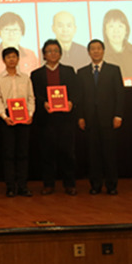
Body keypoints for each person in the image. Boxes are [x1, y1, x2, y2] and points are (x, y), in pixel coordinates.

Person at [31, 39, 81, 196]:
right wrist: (43, 103)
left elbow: (76, 91)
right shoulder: (36, 74)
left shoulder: (69, 71)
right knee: (47, 153)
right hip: (46, 120)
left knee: (68, 153)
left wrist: (71, 102)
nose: (53, 54)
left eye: (56, 51)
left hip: (66, 119)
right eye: (49, 51)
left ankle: (69, 184)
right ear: (44, 55)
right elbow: (34, 94)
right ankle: (48, 184)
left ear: (60, 54)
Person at [77, 40, 124, 195]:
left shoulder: (113, 70)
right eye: (92, 49)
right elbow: (80, 97)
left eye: (98, 48)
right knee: (93, 155)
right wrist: (80, 117)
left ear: (103, 51)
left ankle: (112, 185)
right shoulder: (82, 72)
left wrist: (118, 115)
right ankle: (95, 185)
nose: (96, 51)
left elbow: (119, 94)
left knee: (109, 153)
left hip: (109, 119)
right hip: (90, 119)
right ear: (88, 52)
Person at [0, 47, 36, 197]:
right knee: (8, 154)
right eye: (8, 57)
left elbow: (31, 98)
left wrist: (30, 114)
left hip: (24, 117)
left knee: (23, 153)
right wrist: (4, 116)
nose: (11, 59)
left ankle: (23, 186)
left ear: (18, 59)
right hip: (7, 117)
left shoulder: (25, 77)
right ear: (3, 60)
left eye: (14, 57)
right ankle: (10, 186)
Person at [0, 12, 39, 81]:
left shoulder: (30, 55)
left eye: (15, 30)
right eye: (7, 30)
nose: (11, 34)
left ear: (21, 32)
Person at [102, 9, 132, 79]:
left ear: (126, 30)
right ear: (105, 30)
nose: (116, 31)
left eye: (120, 26)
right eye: (111, 26)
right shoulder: (100, 54)